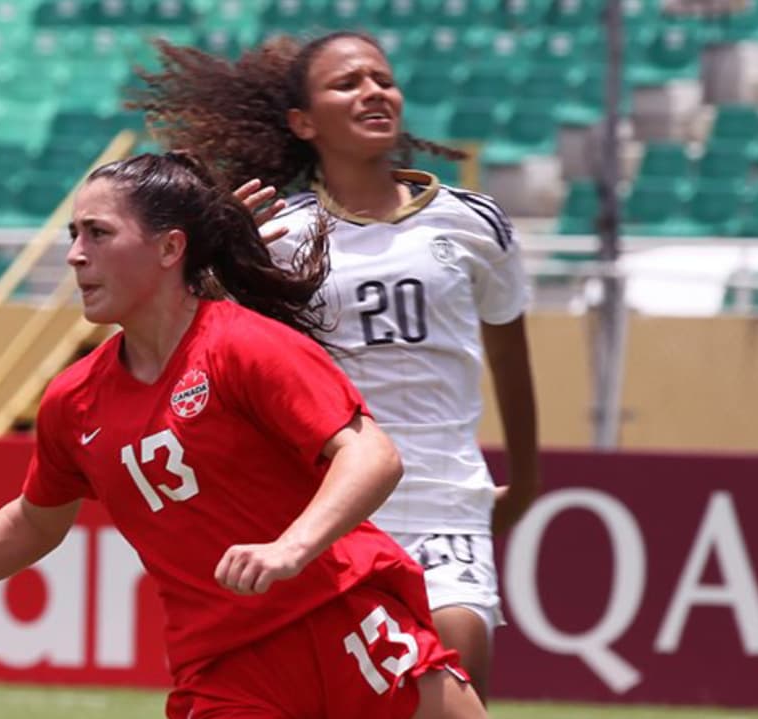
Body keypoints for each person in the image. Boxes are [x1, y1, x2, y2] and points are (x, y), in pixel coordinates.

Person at [0, 152, 490, 719]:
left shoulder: (245, 347)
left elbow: (372, 453)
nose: (74, 253)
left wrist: (290, 548)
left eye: (97, 233)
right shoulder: (72, 399)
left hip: (344, 617)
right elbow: (36, 521)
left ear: (169, 247)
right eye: (73, 234)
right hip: (229, 670)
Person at [131, 31, 542, 702]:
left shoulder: (476, 222)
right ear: (303, 122)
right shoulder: (279, 236)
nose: (373, 91)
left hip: (447, 501)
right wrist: (215, 261)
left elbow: (510, 360)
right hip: (332, 505)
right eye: (347, 83)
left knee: (453, 668)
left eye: (383, 78)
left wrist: (525, 482)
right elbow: (193, 341)